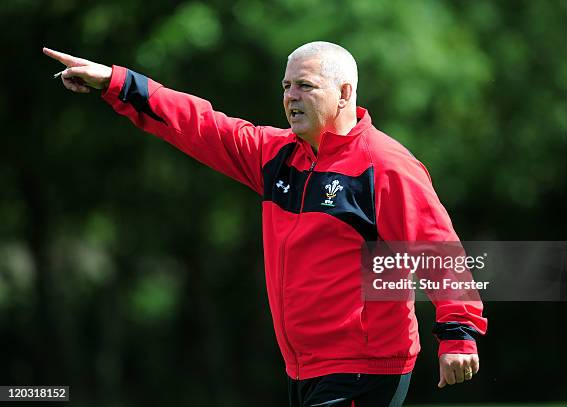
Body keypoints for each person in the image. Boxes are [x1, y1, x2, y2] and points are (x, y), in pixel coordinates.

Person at [43, 42, 487, 407]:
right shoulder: (277, 155)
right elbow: (200, 125)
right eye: (287, 86)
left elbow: (437, 249)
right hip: (304, 367)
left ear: (345, 93)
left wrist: (458, 334)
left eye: (306, 86)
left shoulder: (385, 166)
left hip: (363, 368)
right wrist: (116, 83)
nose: (291, 96)